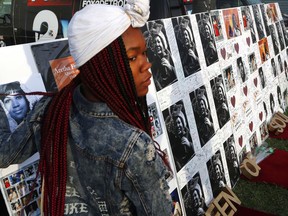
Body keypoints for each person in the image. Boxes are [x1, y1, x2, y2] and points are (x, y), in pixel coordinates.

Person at [0, 2, 173, 216]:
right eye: (132, 57)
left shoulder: (53, 110)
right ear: (102, 65)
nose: (146, 65)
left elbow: (4, 155)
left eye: (144, 53)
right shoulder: (133, 147)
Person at [144, 20, 177, 91]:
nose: (157, 44)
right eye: (154, 43)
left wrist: (170, 68)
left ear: (163, 42)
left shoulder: (171, 56)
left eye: (158, 41)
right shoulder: (153, 64)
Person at [165, 103, 194, 171]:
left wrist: (189, 144)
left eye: (179, 123)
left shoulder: (189, 133)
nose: (177, 126)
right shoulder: (172, 140)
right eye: (175, 124)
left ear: (183, 123)